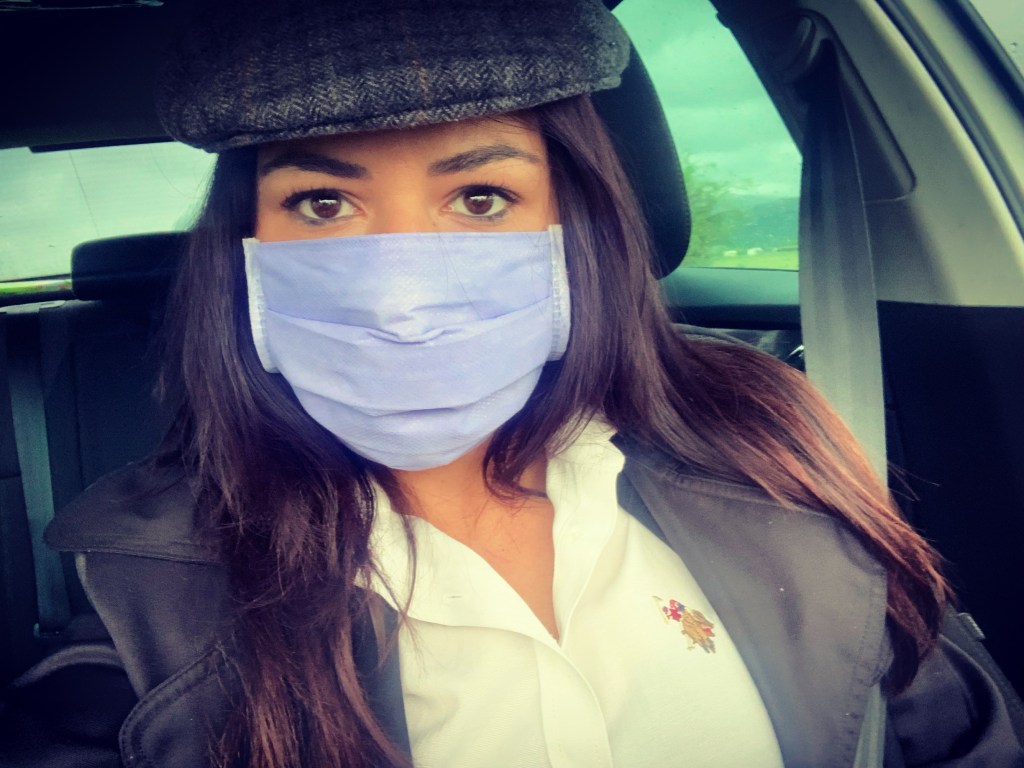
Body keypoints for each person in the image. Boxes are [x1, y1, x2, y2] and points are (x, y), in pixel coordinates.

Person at [2, 1, 1023, 767]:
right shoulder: (152, 594)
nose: (401, 296)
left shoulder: (766, 446)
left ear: (577, 228)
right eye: (322, 203)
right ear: (246, 252)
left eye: (482, 197)